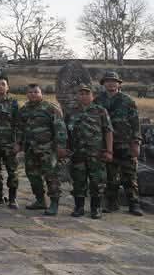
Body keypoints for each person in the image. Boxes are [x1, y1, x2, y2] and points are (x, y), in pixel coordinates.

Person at [95, 71, 143, 216]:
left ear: (118, 84)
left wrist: (136, 142)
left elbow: (135, 123)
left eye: (114, 81)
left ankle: (134, 204)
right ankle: (111, 203)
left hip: (125, 143)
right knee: (110, 177)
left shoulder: (127, 100)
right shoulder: (98, 101)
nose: (111, 83)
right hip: (107, 144)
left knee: (130, 176)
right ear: (103, 84)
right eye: (108, 81)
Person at [19, 83, 67, 216]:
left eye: (36, 92)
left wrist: (61, 146)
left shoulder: (51, 108)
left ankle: (54, 203)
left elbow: (60, 128)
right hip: (31, 149)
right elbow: (20, 128)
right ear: (27, 94)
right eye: (30, 92)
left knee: (51, 176)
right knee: (32, 175)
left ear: (41, 93)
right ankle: (40, 200)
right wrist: (18, 143)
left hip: (48, 149)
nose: (33, 94)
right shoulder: (24, 109)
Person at [66, 84, 113, 219]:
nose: (84, 96)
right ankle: (79, 207)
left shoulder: (100, 111)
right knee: (78, 181)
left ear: (92, 96)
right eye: (81, 94)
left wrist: (109, 151)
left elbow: (108, 131)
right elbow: (66, 132)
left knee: (97, 182)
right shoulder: (71, 112)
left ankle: (95, 208)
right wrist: (66, 149)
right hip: (77, 154)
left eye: (87, 93)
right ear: (77, 96)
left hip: (96, 154)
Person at [0, 76, 21, 208]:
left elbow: (18, 124)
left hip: (9, 144)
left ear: (7, 87)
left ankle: (12, 198)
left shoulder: (13, 103)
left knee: (12, 172)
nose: (0, 86)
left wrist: (17, 142)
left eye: (3, 84)